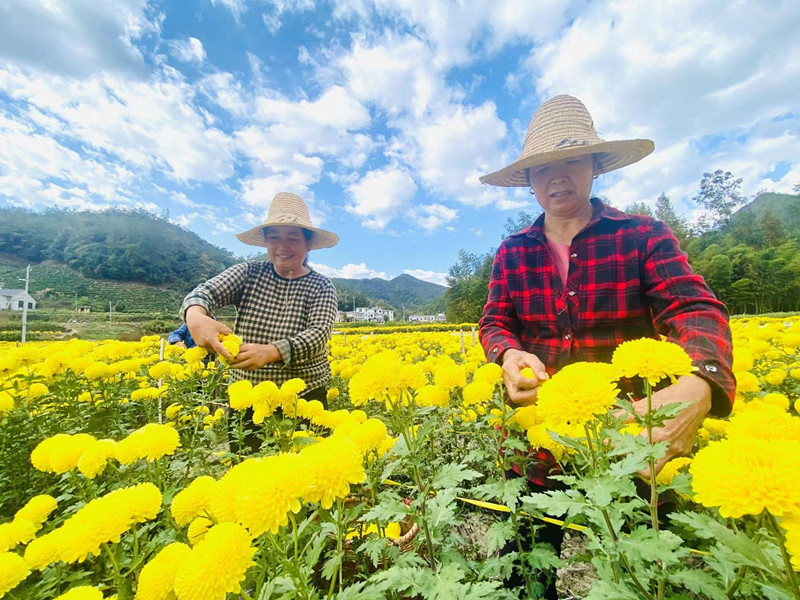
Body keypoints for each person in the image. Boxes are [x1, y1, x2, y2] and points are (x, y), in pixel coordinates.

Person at [478, 95, 735, 598]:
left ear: (595, 164)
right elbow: (494, 321)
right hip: (539, 443)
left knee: (650, 575)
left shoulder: (643, 235)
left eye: (570, 160)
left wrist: (701, 382)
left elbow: (694, 309)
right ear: (528, 180)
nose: (556, 177)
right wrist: (508, 353)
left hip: (634, 440)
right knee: (526, 570)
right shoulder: (512, 252)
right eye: (542, 167)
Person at [180, 192, 339, 451]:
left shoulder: (321, 285)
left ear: (308, 244)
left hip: (304, 395)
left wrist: (271, 351)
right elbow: (204, 292)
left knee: (308, 478)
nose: (282, 246)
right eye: (274, 237)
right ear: (265, 241)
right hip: (249, 395)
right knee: (251, 472)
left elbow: (318, 333)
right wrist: (196, 315)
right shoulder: (248, 273)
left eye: (292, 238)